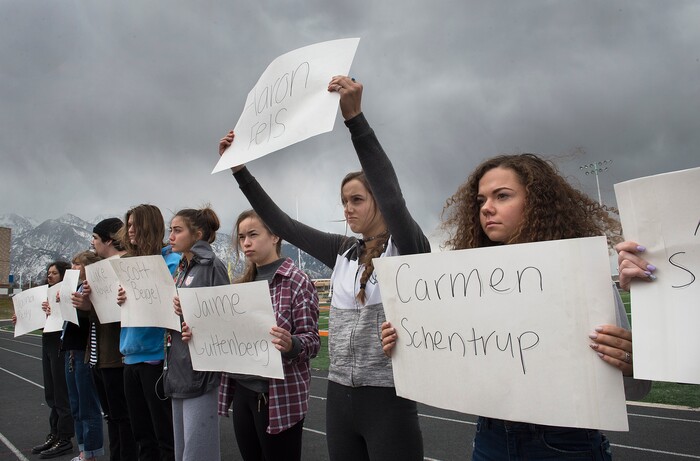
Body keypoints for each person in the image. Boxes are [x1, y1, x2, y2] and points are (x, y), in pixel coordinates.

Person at [381, 153, 651, 460]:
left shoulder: (581, 277)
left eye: (502, 196)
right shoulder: (465, 288)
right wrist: (405, 348)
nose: (487, 208)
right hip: (489, 439)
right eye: (481, 200)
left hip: (566, 443)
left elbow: (638, 388)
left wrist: (630, 363)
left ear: (537, 203)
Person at [218, 75, 428, 460]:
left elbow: (393, 196)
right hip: (338, 397)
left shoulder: (407, 247)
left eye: (357, 199)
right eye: (343, 200)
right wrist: (240, 172)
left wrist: (355, 121)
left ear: (377, 201)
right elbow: (283, 225)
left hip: (388, 397)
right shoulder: (344, 251)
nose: (347, 208)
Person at [216, 210, 320, 461]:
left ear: (274, 236)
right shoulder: (241, 284)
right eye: (241, 237)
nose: (246, 243)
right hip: (242, 390)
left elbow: (313, 341)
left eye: (253, 235)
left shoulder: (297, 281)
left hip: (277, 395)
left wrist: (292, 344)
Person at [116, 204, 181, 461]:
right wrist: (120, 297)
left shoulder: (172, 261)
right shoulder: (128, 263)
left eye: (134, 225)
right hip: (129, 355)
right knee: (141, 434)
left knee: (164, 434)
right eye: (128, 225)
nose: (130, 230)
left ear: (149, 226)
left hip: (155, 357)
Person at [166, 207, 230, 461]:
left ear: (198, 234)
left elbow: (226, 316)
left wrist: (195, 317)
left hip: (199, 372)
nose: (170, 235)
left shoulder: (212, 266)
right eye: (170, 230)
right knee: (183, 450)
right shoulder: (183, 267)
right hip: (178, 369)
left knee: (198, 451)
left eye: (177, 230)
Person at [80, 218, 139, 461]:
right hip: (98, 355)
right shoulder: (99, 268)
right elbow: (97, 314)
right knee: (112, 417)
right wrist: (84, 305)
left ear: (108, 239)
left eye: (95, 237)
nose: (92, 243)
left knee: (123, 419)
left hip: (117, 356)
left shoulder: (127, 265)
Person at [64, 250, 105, 461]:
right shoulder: (76, 287)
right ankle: (83, 450)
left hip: (84, 351)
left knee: (88, 406)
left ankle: (90, 452)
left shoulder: (92, 289)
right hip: (71, 350)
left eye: (77, 264)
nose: (72, 268)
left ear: (88, 268)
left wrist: (83, 305)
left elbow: (94, 318)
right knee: (77, 405)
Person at [32, 260, 75, 459]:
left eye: (54, 273)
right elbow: (42, 324)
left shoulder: (66, 293)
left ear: (63, 275)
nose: (49, 276)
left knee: (61, 393)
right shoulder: (44, 295)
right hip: (47, 342)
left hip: (60, 344)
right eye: (48, 273)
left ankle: (64, 438)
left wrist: (57, 308)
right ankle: (55, 433)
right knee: (51, 392)